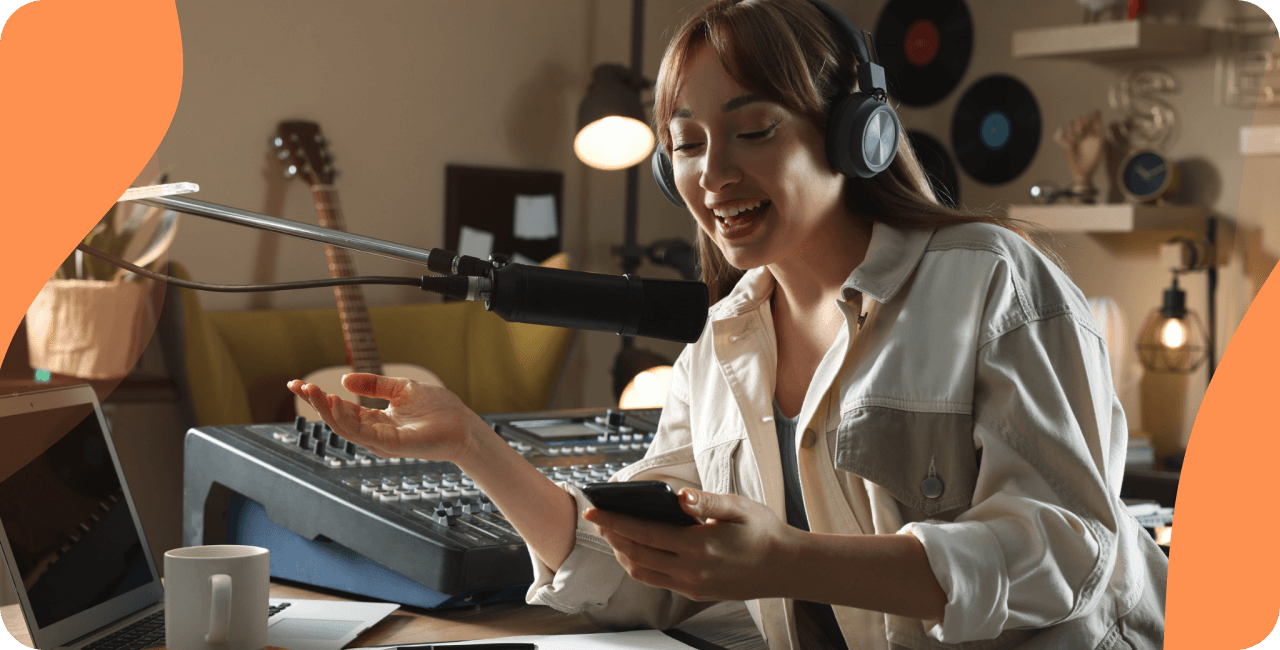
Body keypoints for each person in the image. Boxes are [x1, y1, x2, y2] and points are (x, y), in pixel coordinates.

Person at [289, 0, 1168, 647]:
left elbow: (1066, 551)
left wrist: (786, 561)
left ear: (854, 135)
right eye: (690, 144)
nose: (715, 174)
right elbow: (634, 578)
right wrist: (470, 447)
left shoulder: (991, 282)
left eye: (753, 130)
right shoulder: (725, 344)